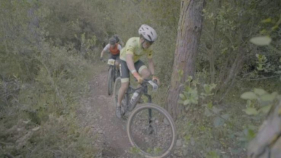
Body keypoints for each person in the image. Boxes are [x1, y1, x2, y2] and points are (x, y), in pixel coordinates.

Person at [116, 24, 160, 118]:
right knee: (124, 85)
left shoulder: (149, 48)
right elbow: (128, 59)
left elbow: (150, 61)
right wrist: (136, 75)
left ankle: (137, 93)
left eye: (151, 43)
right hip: (124, 60)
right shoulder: (132, 42)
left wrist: (154, 75)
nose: (149, 46)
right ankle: (118, 106)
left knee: (146, 73)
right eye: (148, 43)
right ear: (142, 39)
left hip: (135, 61)